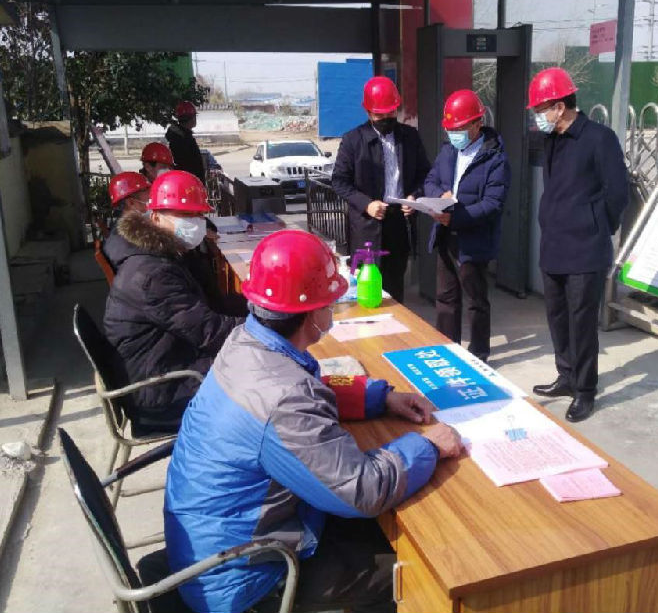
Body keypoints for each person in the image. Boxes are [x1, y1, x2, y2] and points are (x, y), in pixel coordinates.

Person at [164, 229, 463, 613]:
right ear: (311, 314)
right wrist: (429, 445)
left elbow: (301, 392)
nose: (334, 309)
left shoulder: (245, 342)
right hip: (247, 578)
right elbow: (364, 489)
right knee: (417, 570)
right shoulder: (285, 398)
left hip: (217, 541)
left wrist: (379, 398)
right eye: (331, 302)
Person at [103, 170, 240, 434]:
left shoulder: (162, 254)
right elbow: (210, 332)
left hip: (169, 364)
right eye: (185, 215)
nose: (196, 223)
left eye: (198, 215)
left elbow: (206, 308)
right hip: (162, 391)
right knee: (261, 380)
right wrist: (271, 326)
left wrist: (258, 306)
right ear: (154, 217)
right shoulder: (152, 274)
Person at [528, 67, 629, 423]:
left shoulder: (599, 138)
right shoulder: (552, 140)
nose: (537, 116)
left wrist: (597, 226)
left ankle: (585, 390)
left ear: (559, 106)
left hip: (585, 249)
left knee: (582, 322)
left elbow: (618, 193)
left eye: (540, 110)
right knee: (557, 318)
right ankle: (566, 376)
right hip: (553, 246)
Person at [424, 90, 510, 363]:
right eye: (450, 129)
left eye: (459, 129)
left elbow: (493, 203)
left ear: (477, 124)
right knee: (445, 297)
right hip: (445, 235)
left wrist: (457, 217)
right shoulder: (448, 151)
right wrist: (439, 196)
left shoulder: (494, 157)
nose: (454, 134)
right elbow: (430, 180)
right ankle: (448, 350)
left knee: (476, 300)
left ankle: (478, 355)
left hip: (474, 239)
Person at [331, 76, 430, 303]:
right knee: (368, 286)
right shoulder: (353, 140)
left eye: (390, 113)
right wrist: (366, 203)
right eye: (379, 115)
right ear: (368, 112)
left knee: (395, 286)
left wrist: (414, 197)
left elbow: (426, 174)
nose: (386, 119)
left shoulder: (409, 137)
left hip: (399, 221)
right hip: (367, 224)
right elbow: (339, 181)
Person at [166, 99, 206, 184]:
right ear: (191, 118)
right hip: (189, 184)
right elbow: (189, 166)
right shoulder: (182, 140)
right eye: (194, 116)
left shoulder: (181, 136)